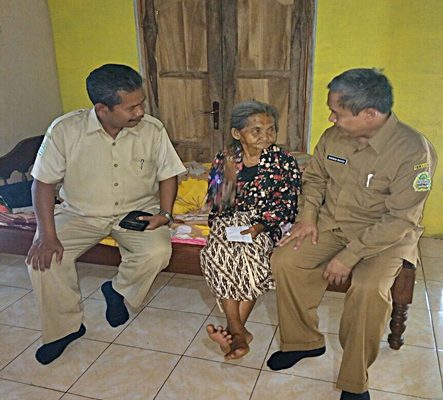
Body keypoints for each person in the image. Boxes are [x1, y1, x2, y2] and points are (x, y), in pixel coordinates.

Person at [267, 68, 437, 400]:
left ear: (370, 114)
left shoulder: (413, 151)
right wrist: (307, 218)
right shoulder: (334, 137)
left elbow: (400, 219)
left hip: (386, 237)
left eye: (338, 112)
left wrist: (349, 257)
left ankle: (354, 381)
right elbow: (315, 179)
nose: (331, 118)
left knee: (369, 289)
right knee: (286, 260)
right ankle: (303, 342)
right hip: (333, 223)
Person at [26, 64, 186, 365]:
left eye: (141, 103)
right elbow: (43, 184)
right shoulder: (65, 130)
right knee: (44, 263)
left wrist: (164, 213)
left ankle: (117, 290)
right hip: (80, 214)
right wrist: (46, 236)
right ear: (102, 109)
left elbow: (168, 174)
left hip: (137, 211)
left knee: (157, 251)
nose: (140, 112)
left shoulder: (152, 129)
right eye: (131, 107)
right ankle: (64, 329)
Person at [200, 100, 301, 360]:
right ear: (237, 133)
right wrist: (225, 228)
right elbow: (219, 203)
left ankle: (235, 332)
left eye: (271, 129)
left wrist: (258, 226)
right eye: (257, 130)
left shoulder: (284, 161)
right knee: (218, 254)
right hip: (229, 221)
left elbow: (288, 205)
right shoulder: (226, 159)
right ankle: (239, 333)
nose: (265, 136)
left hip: (265, 223)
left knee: (250, 259)